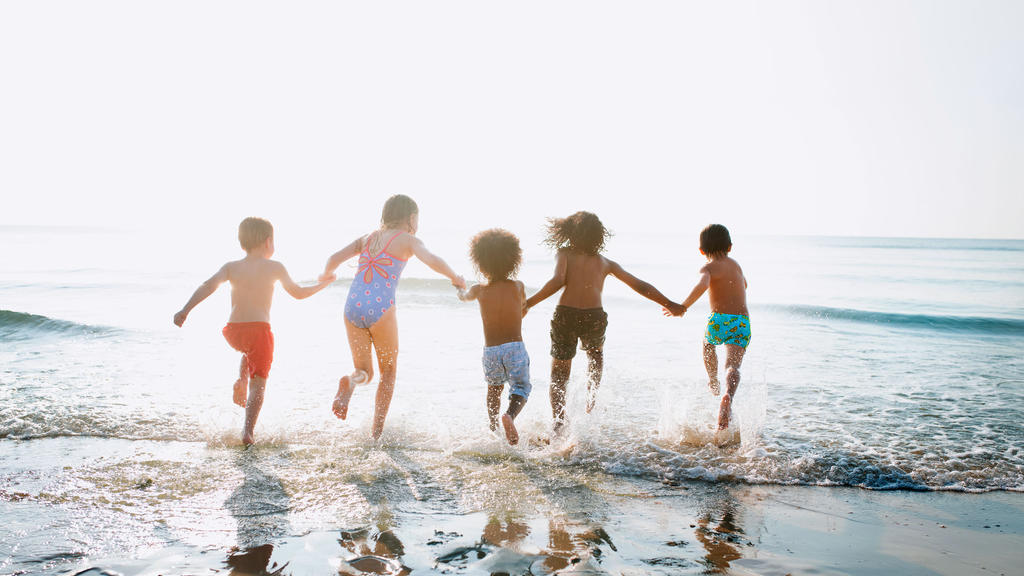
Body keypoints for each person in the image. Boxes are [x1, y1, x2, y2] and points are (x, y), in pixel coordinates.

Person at [173, 217, 335, 445]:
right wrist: (324, 284)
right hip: (259, 330)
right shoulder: (275, 267)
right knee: (259, 381)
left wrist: (185, 310)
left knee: (248, 353)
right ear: (268, 242)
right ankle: (248, 430)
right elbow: (298, 293)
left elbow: (208, 285)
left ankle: (241, 378)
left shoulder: (231, 267)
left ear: (243, 243)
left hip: (233, 331)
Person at [321, 194, 466, 439]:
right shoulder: (408, 240)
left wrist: (326, 275)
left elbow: (333, 259)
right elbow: (432, 260)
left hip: (352, 305)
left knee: (364, 371)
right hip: (380, 307)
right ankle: (376, 433)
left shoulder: (367, 238)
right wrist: (456, 278)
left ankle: (351, 381)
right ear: (411, 217)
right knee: (388, 372)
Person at [524, 211, 684, 430]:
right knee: (595, 356)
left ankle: (559, 421)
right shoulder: (606, 263)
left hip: (566, 314)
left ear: (571, 232)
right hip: (594, 316)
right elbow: (640, 286)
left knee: (560, 372)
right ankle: (591, 401)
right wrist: (669, 303)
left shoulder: (564, 254)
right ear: (599, 236)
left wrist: (529, 303)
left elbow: (558, 281)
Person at [458, 228, 530, 445]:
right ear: (513, 260)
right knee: (521, 387)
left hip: (491, 351)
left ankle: (493, 428)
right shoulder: (518, 286)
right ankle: (510, 415)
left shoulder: (479, 290)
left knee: (494, 389)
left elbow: (463, 297)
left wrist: (459, 287)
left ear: (480, 262)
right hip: (515, 347)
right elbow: (522, 310)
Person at [674, 224, 750, 431]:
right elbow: (745, 285)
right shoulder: (736, 265)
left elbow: (702, 285)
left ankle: (713, 380)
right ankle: (729, 395)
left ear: (701, 251)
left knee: (708, 345)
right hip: (742, 322)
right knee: (733, 366)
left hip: (719, 320)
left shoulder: (707, 268)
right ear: (730, 247)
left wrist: (683, 306)